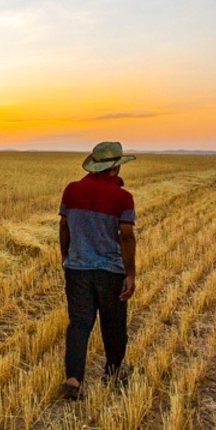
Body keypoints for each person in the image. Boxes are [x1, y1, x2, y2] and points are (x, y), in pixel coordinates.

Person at [58, 141, 137, 400]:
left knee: (79, 324)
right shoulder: (123, 198)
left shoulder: (71, 190)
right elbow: (126, 237)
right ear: (115, 166)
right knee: (113, 324)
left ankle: (73, 379)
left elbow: (64, 227)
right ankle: (113, 372)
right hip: (109, 271)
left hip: (77, 268)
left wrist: (66, 257)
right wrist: (130, 274)